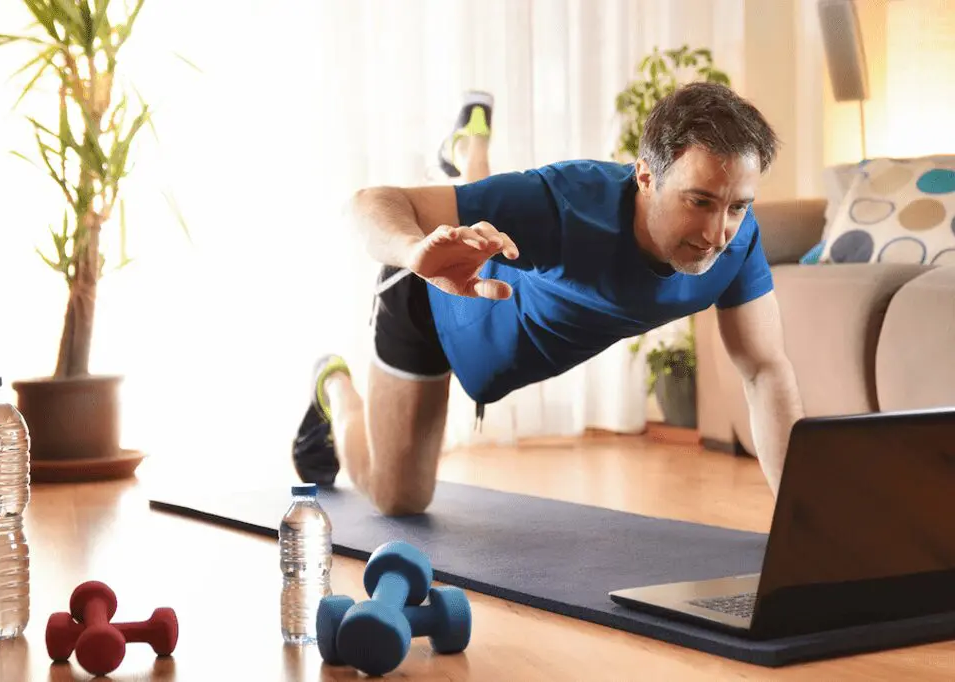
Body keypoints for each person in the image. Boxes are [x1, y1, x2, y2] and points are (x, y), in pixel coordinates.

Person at [291, 83, 805, 515]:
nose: (718, 233)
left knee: (494, 217)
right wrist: (412, 250)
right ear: (645, 176)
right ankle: (333, 385)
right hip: (433, 292)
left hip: (495, 275)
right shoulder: (564, 202)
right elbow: (370, 203)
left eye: (738, 206)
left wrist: (803, 522)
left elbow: (765, 370)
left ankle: (468, 151)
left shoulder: (738, 241)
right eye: (699, 201)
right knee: (398, 498)